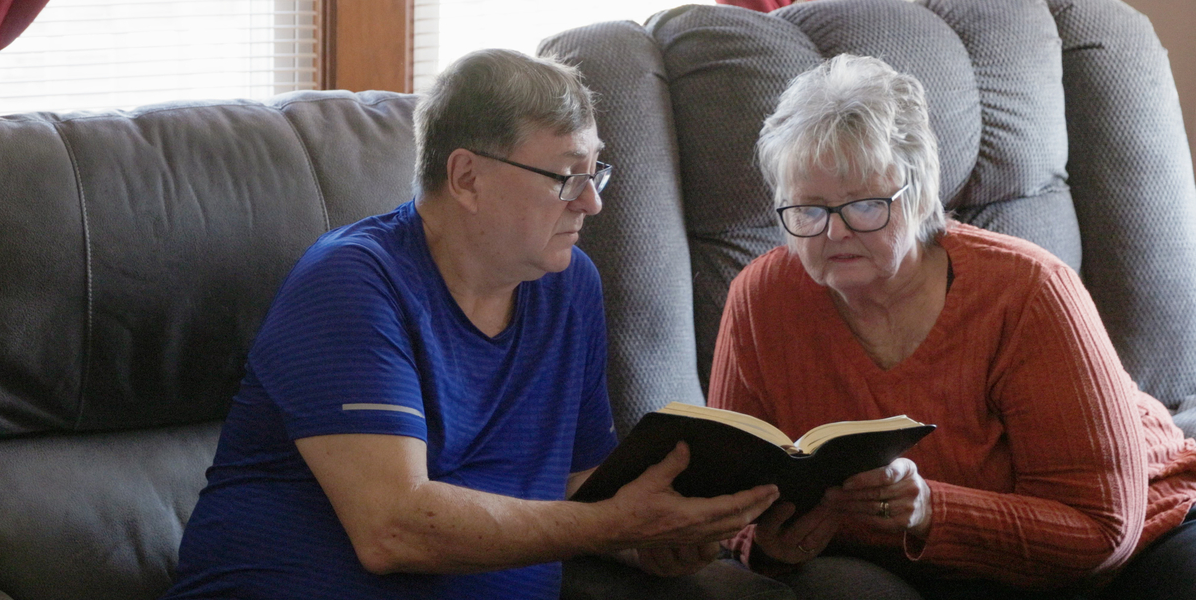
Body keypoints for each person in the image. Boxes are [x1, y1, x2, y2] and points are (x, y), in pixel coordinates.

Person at [159, 49, 781, 600]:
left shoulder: (570, 287)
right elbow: (393, 529)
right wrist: (616, 525)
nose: (591, 201)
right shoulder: (352, 282)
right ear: (466, 178)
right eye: (568, 176)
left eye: (596, 172)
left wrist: (660, 539)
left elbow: (578, 488)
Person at [710, 53, 1196, 600]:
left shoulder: (1029, 289)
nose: (835, 233)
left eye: (865, 206)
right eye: (808, 209)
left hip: (1153, 531)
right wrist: (767, 544)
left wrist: (931, 509)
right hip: (925, 566)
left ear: (920, 196)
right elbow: (722, 495)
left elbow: (1104, 529)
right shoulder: (760, 301)